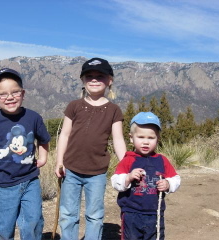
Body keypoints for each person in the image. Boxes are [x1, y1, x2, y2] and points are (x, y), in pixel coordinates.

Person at [0, 68, 51, 240]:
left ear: (23, 93)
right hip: (3, 183)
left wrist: (43, 158)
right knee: (3, 227)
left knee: (34, 222)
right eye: (3, 94)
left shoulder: (33, 117)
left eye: (15, 92)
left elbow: (43, 139)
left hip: (30, 180)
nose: (9, 97)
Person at [55, 57, 127, 240]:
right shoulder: (74, 106)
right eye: (89, 76)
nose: (94, 80)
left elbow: (118, 140)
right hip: (70, 170)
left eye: (100, 76)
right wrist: (59, 161)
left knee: (95, 215)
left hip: (97, 173)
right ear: (83, 80)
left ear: (109, 81)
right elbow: (64, 135)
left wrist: (126, 164)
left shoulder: (114, 110)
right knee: (68, 214)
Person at [111, 112, 181, 240]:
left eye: (151, 138)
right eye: (141, 137)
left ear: (157, 139)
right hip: (131, 213)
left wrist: (168, 184)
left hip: (155, 214)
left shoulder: (162, 160)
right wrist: (127, 178)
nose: (145, 142)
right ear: (131, 138)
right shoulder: (128, 160)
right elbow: (115, 181)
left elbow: (176, 179)